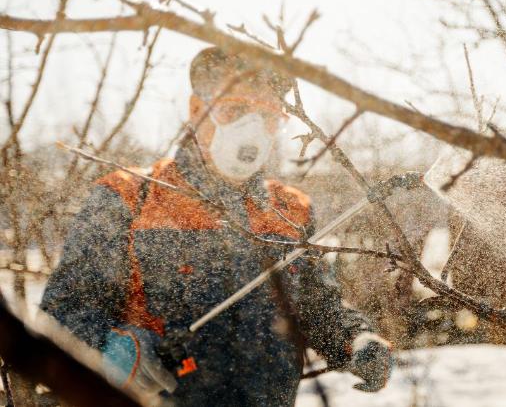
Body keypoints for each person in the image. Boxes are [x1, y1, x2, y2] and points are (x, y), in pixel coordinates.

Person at [39, 47, 392, 406]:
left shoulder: (291, 210)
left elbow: (316, 306)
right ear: (196, 110)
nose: (251, 129)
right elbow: (65, 312)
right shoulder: (127, 197)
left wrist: (356, 338)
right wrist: (109, 350)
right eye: (235, 110)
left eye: (267, 116)